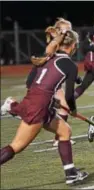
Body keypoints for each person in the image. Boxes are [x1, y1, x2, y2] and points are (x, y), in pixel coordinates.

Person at [0, 30, 89, 184]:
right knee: (17, 146)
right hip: (39, 107)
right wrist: (73, 110)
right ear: (73, 46)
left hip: (36, 101)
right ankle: (12, 106)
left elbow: (30, 83)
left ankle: (71, 174)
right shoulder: (70, 65)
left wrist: (49, 97)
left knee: (64, 131)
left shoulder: (47, 57)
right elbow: (68, 96)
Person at [14, 18, 77, 147]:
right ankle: (14, 108)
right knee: (59, 106)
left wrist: (75, 78)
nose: (68, 32)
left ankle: (59, 136)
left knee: (60, 107)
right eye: (66, 30)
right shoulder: (54, 46)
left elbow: (64, 67)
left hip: (48, 84)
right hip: (42, 84)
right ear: (58, 31)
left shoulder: (58, 45)